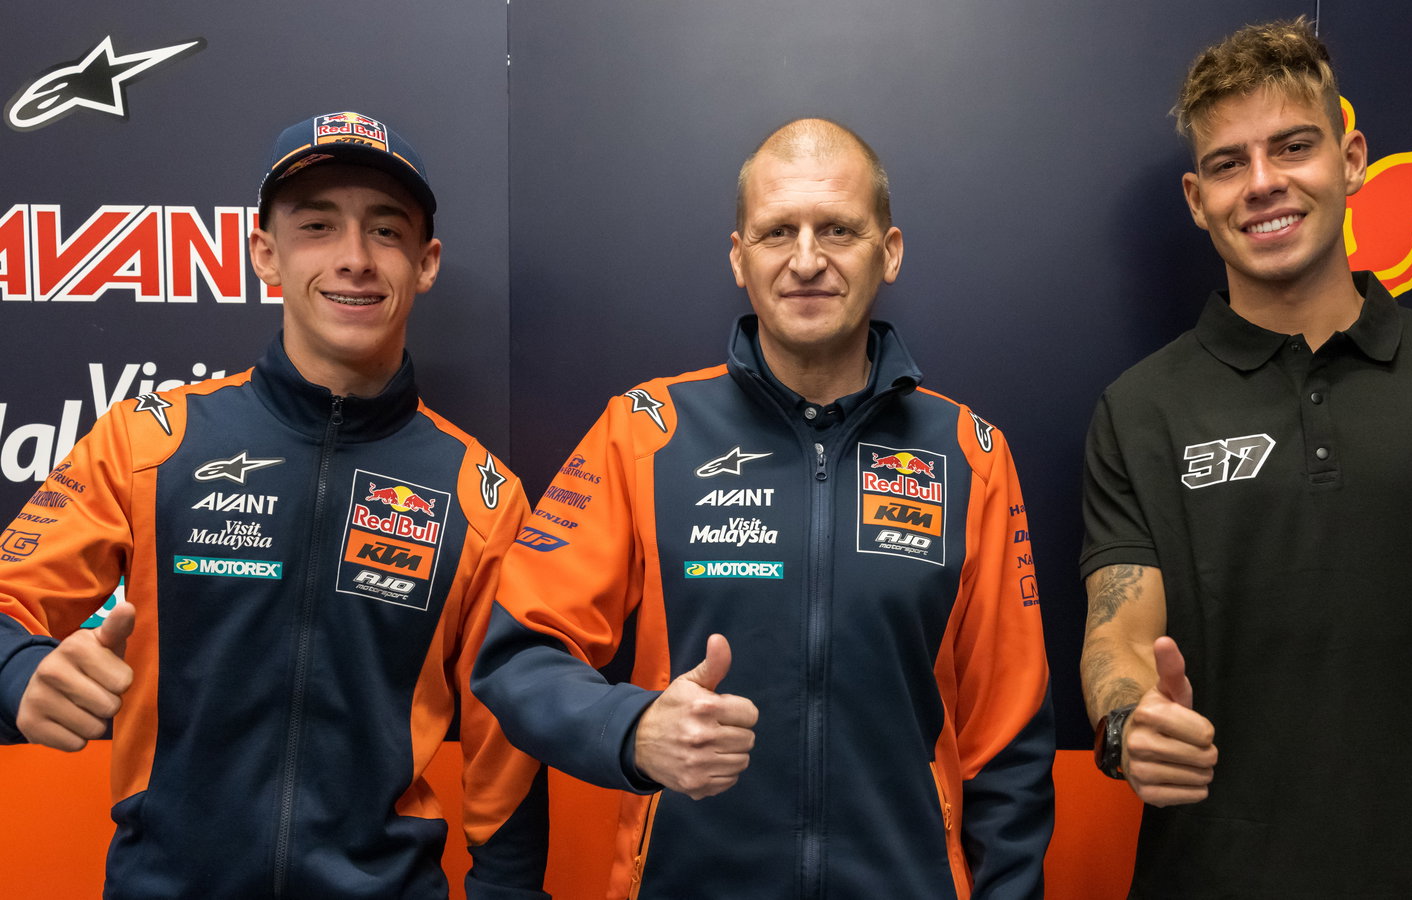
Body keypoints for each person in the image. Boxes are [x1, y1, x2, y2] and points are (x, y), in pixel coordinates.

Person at [1078, 18, 1412, 898]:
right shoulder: (1139, 408)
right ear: (1197, 199)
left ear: (1351, 159)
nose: (1263, 183)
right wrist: (1131, 722)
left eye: (1293, 146)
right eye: (1228, 163)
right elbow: (1119, 630)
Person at [474, 118, 1054, 898]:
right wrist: (631, 729)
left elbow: (1010, 742)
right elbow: (518, 656)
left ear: (889, 252)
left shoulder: (969, 454)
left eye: (838, 230)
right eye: (778, 231)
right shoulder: (645, 432)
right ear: (739, 257)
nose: (807, 260)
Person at [0, 111, 549, 898]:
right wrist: (18, 672)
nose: (354, 258)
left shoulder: (481, 494)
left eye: (386, 230)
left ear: (425, 263)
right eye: (317, 226)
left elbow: (509, 740)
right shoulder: (148, 441)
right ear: (265, 254)